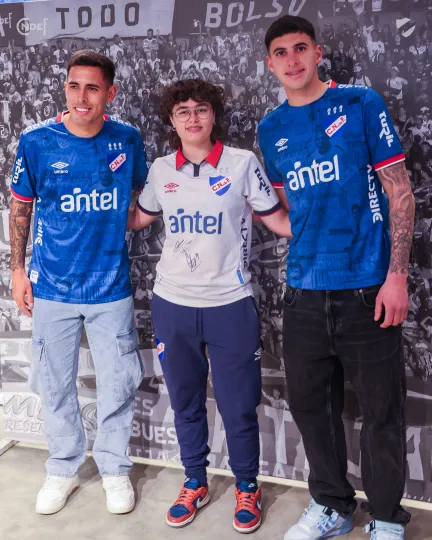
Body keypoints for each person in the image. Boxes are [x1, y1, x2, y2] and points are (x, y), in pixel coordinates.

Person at [258, 16, 415, 540]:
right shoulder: (271, 129)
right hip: (303, 292)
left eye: (300, 48)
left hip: (367, 288)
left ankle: (387, 516)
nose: (292, 59)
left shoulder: (360, 103)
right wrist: (268, 218)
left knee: (382, 411)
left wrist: (396, 276)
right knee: (311, 409)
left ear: (318, 53)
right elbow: (291, 210)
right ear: (270, 63)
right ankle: (332, 505)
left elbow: (400, 192)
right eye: (281, 52)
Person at [128, 79, 292, 533]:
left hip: (230, 304)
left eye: (201, 109)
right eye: (183, 111)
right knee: (185, 402)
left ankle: (247, 486)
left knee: (239, 406)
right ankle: (194, 481)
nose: (193, 118)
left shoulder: (242, 163)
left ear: (214, 115)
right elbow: (138, 217)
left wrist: (326, 227)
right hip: (173, 303)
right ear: (172, 119)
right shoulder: (161, 169)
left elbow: (277, 219)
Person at [9, 50, 147, 516]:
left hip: (111, 287)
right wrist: (17, 270)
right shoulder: (36, 141)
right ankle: (63, 467)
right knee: (53, 385)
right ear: (65, 87)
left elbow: (142, 199)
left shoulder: (127, 139)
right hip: (52, 288)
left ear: (110, 92)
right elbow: (21, 207)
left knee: (118, 384)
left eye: (92, 87)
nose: (81, 96)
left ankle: (113, 468)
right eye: (73, 85)